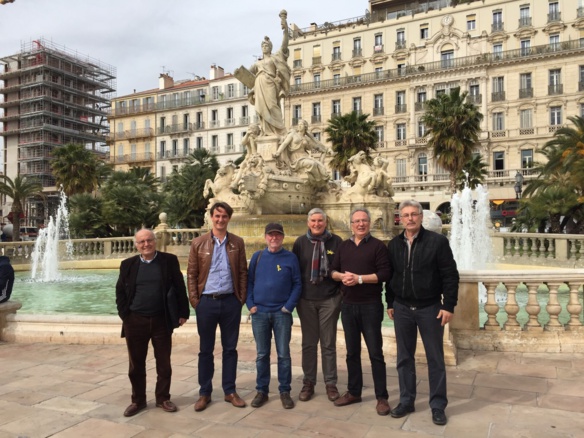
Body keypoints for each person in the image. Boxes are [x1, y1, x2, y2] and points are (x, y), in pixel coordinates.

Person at [386, 200, 459, 426]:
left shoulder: (437, 242)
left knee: (435, 358)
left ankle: (438, 405)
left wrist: (448, 305)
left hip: (430, 308)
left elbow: (450, 275)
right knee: (404, 358)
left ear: (420, 217)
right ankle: (407, 400)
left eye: (414, 214)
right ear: (400, 218)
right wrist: (390, 302)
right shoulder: (394, 244)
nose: (410, 218)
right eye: (405, 215)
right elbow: (391, 277)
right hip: (402, 308)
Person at [115, 229, 190, 417]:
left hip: (161, 320)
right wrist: (126, 316)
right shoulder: (128, 265)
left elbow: (180, 288)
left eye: (149, 240)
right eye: (141, 242)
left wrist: (183, 312)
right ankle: (138, 401)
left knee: (164, 362)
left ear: (154, 241)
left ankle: (163, 398)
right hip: (135, 321)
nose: (146, 244)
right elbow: (120, 293)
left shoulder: (169, 261)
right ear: (136, 245)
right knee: (136, 364)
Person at [187, 201, 248, 412]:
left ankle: (230, 391)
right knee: (206, 350)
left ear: (229, 218)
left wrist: (240, 299)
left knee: (230, 349)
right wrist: (196, 301)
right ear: (211, 218)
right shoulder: (198, 243)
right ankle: (204, 393)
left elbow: (242, 272)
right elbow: (192, 274)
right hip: (206, 302)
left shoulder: (237, 243)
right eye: (217, 216)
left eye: (224, 216)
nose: (220, 220)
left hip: (230, 301)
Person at [330, 208, 392, 416]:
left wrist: (359, 279)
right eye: (356, 221)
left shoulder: (378, 246)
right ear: (351, 224)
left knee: (376, 352)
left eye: (364, 221)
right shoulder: (343, 246)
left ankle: (381, 397)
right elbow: (332, 270)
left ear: (369, 223)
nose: (360, 224)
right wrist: (342, 277)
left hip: (371, 306)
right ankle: (354, 391)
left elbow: (385, 274)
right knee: (351, 352)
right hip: (348, 306)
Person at [247, 223, 301, 409]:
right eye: (271, 235)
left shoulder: (290, 258)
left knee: (283, 354)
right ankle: (262, 390)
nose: (274, 238)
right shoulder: (257, 257)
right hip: (260, 313)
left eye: (277, 235)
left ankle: (284, 391)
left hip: (281, 314)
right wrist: (250, 304)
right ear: (265, 237)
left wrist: (288, 307)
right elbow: (249, 282)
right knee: (262, 354)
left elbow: (297, 284)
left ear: (282, 238)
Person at [292, 208, 342, 402]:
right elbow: (295, 272)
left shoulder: (336, 242)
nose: (317, 224)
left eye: (320, 220)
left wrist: (339, 297)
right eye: (313, 220)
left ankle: (331, 383)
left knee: (328, 343)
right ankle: (308, 383)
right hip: (306, 300)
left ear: (325, 221)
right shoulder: (300, 243)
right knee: (309, 344)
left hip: (329, 299)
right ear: (308, 222)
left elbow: (343, 267)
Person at [246, 11, 291, 136]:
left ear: (270, 47)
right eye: (263, 45)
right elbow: (246, 73)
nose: (265, 47)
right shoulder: (257, 63)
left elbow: (284, 45)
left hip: (270, 83)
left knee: (272, 106)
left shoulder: (274, 58)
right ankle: (266, 132)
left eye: (267, 45)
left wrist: (285, 29)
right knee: (261, 110)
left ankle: (280, 130)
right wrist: (239, 73)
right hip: (259, 84)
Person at [273, 120, 331, 185]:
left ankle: (319, 181)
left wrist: (325, 150)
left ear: (305, 127)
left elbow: (316, 146)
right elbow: (285, 143)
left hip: (305, 156)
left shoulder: (306, 138)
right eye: (299, 124)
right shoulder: (293, 134)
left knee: (317, 164)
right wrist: (278, 152)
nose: (299, 126)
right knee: (312, 164)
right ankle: (318, 181)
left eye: (301, 124)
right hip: (295, 158)